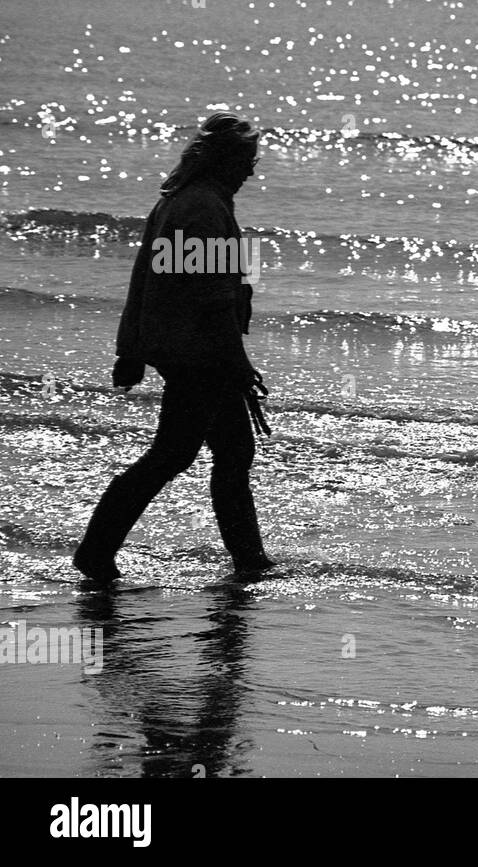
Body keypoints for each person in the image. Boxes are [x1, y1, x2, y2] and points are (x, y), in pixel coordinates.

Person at [73, 112, 275, 583]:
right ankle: (96, 550)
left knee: (230, 450)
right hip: (198, 353)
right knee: (173, 454)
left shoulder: (185, 202)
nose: (252, 169)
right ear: (223, 160)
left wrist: (133, 351)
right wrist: (238, 362)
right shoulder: (202, 209)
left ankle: (250, 560)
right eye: (246, 159)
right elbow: (212, 299)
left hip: (188, 348)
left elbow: (148, 282)